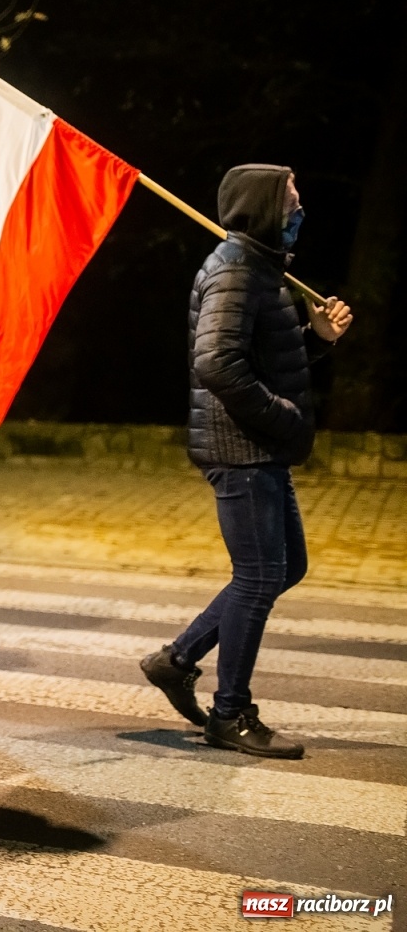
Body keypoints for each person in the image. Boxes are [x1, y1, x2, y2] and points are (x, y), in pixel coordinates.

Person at [140, 166, 351, 759]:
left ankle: (177, 661)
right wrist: (283, 416)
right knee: (260, 576)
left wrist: (317, 337)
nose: (299, 208)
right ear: (262, 207)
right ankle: (230, 714)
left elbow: (264, 353)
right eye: (291, 199)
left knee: (285, 567)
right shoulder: (235, 270)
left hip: (258, 446)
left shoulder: (259, 267)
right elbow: (216, 362)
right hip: (243, 448)